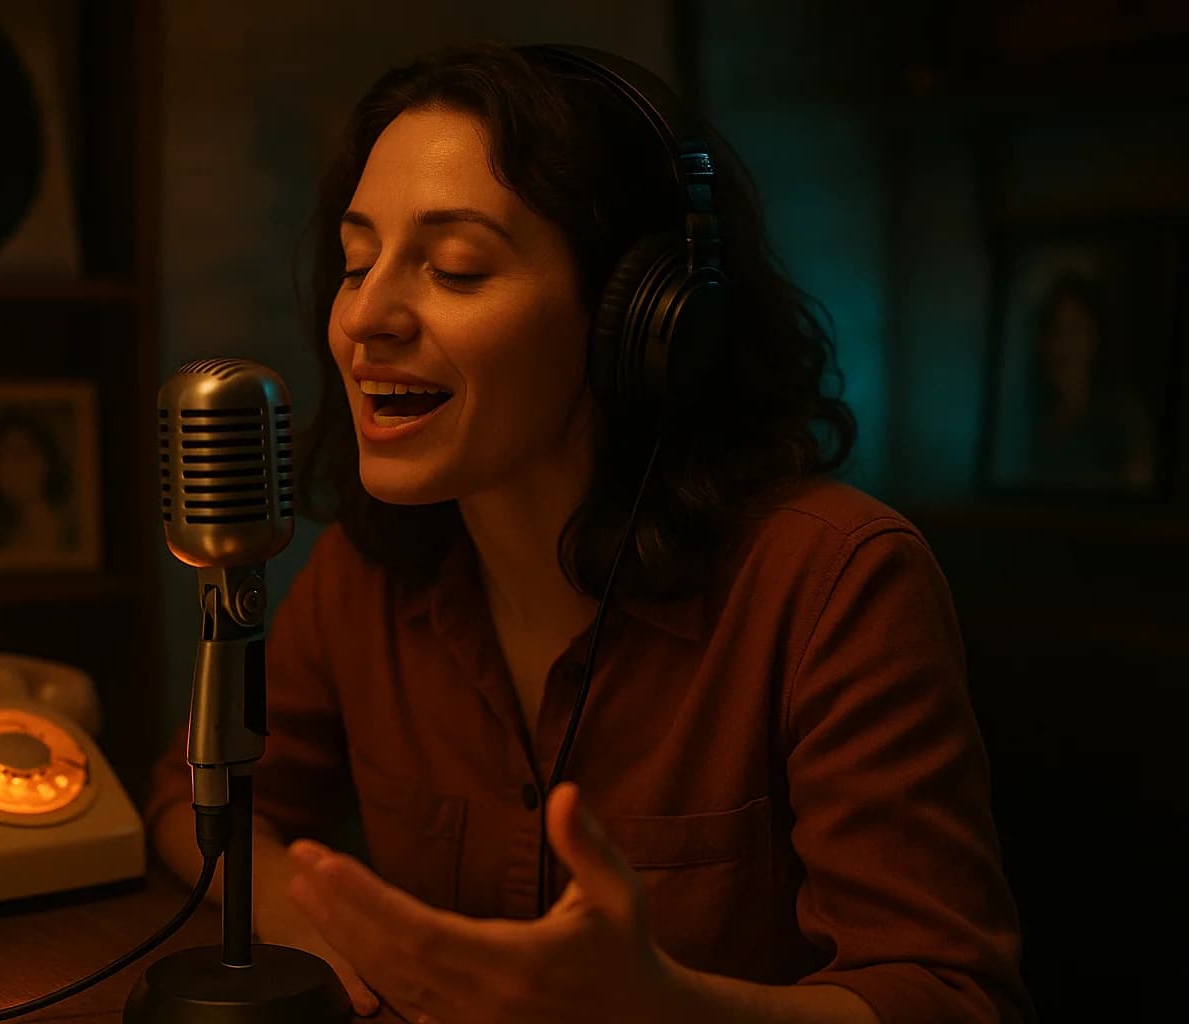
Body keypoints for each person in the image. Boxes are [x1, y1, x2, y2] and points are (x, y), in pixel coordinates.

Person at [149, 42, 1034, 1023]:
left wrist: (663, 1007)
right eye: (358, 262)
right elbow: (194, 802)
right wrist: (312, 923)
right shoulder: (370, 571)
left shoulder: (834, 581)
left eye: (454, 266)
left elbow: (952, 998)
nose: (366, 316)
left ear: (638, 320)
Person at [1020, 271, 1155, 491]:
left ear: (1094, 338)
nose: (1061, 344)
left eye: (1074, 330)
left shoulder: (1122, 416)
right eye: (1054, 330)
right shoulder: (1030, 421)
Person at [0, 410, 78, 555]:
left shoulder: (74, 538)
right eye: (1, 456)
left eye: (22, 454)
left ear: (48, 462)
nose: (9, 468)